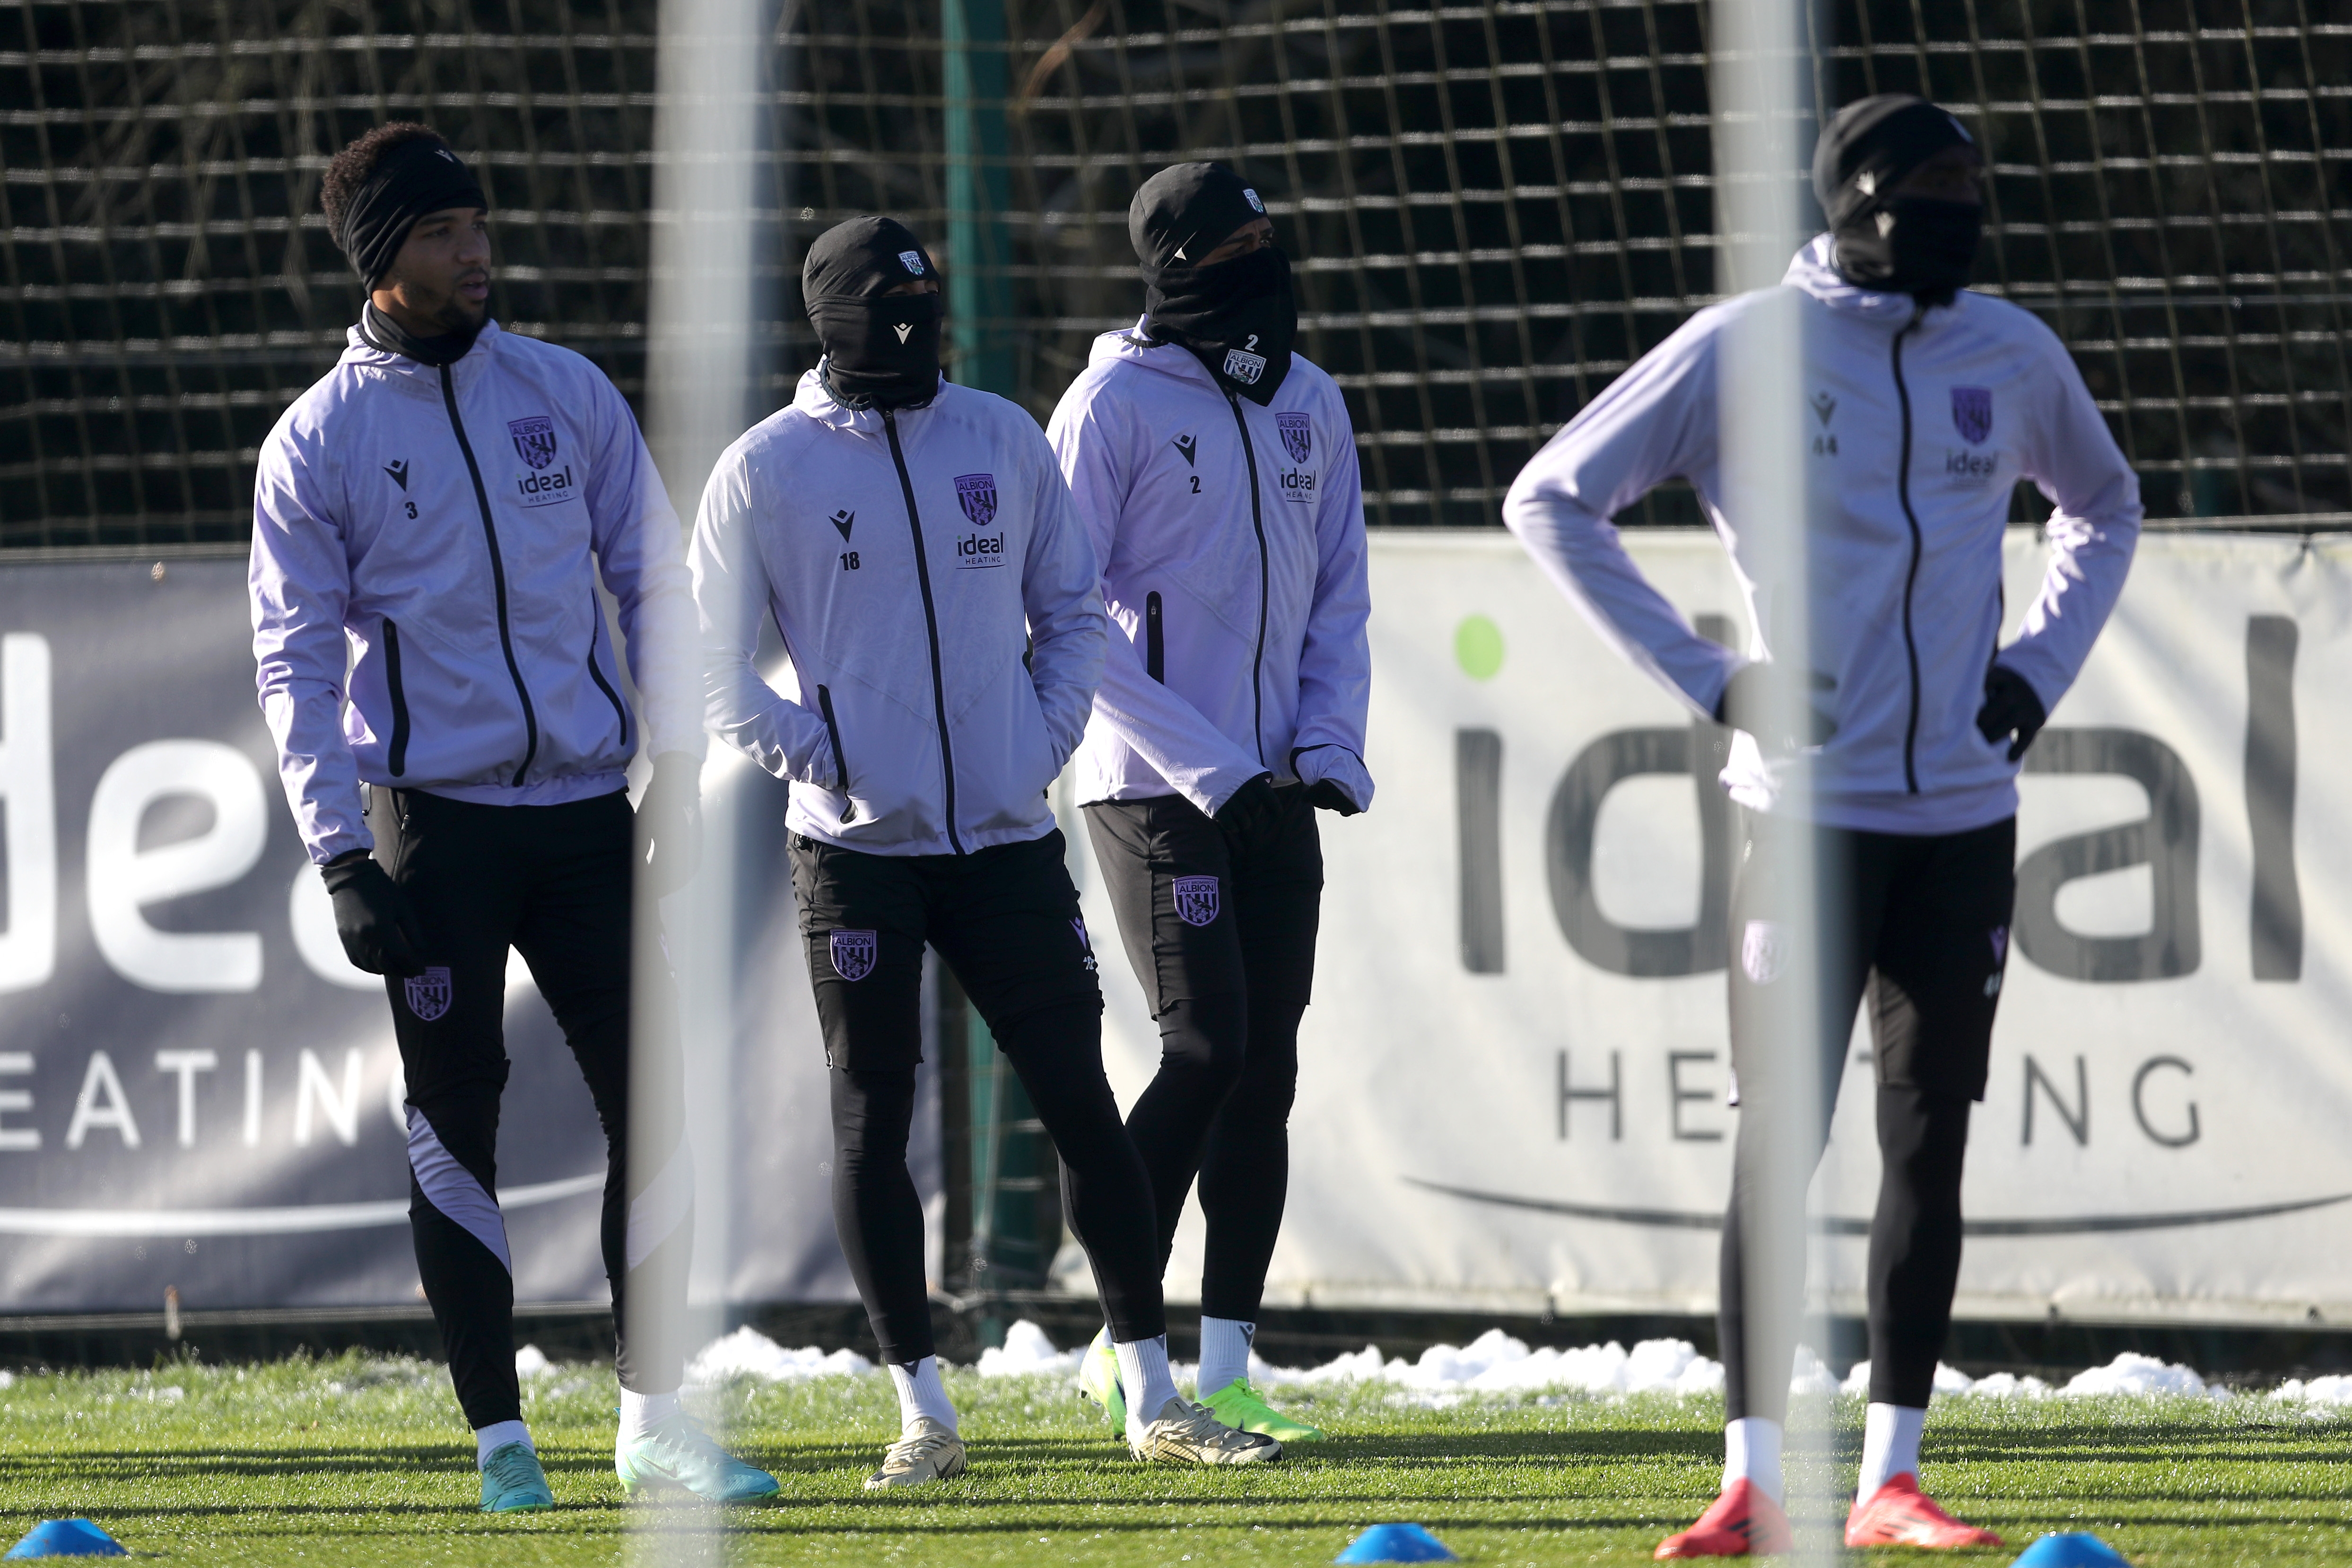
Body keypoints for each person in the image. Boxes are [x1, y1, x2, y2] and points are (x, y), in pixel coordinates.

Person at [1501, 96, 2140, 1556]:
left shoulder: (2011, 349)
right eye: (1933, 190)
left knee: (1932, 1139)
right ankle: (1751, 1480)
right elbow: (1554, 498)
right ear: (1857, 204)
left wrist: (2037, 671)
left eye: (1975, 186)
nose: (1962, 213)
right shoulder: (1748, 350)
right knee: (1782, 1138)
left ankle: (1894, 1479)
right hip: (1805, 818)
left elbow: (2104, 500)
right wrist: (1718, 681)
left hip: (1966, 816)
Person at [691, 215, 1281, 1487]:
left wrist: (1040, 740)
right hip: (854, 852)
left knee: (1080, 1095)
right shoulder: (765, 469)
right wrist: (827, 753)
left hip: (1009, 838)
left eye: (927, 311)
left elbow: (1071, 612)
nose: (913, 338)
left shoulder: (1003, 437)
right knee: (874, 1114)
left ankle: (1156, 1393)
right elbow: (704, 667)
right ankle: (924, 1410)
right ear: (833, 325)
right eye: (885, 316)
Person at [250, 122, 777, 1513]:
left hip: (589, 817)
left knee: (656, 1108)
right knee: (454, 1124)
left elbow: (655, 581)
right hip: (434, 831)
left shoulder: (566, 391)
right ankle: (500, 1444)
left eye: (481, 224)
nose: (477, 252)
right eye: (442, 234)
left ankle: (653, 1422)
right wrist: (340, 852)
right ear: (381, 262)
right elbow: (294, 661)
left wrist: (672, 754)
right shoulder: (321, 440)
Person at [1045, 162, 1372, 1443]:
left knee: (1267, 1072)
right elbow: (1068, 617)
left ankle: (1228, 1360)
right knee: (1204, 1046)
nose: (1262, 260)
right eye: (1233, 244)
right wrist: (1210, 763)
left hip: (1278, 784)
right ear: (1175, 265)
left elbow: (1340, 592)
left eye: (1268, 235)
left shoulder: (1313, 402)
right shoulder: (1108, 404)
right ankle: (1128, 1330)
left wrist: (1326, 745)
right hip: (1152, 785)